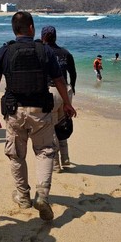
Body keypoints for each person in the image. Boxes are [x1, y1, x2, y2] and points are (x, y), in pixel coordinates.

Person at [0, 12, 76, 221]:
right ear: (31, 28)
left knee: (16, 155)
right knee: (45, 151)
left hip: (14, 111)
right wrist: (67, 103)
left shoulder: (4, 51)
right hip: (41, 111)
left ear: (14, 30)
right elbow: (59, 80)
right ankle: (42, 195)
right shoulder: (44, 50)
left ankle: (23, 196)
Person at [40, 25, 77, 171]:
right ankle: (65, 158)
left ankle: (56, 164)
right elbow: (73, 73)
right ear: (55, 37)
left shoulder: (42, 52)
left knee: (51, 128)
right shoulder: (65, 53)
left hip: (51, 92)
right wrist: (72, 88)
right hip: (66, 91)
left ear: (42, 37)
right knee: (63, 125)